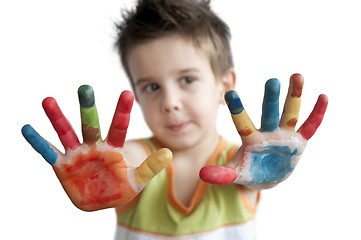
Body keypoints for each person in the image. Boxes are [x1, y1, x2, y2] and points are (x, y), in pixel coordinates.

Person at [21, 0, 328, 239]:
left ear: (224, 86)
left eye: (187, 79)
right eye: (152, 87)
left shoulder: (245, 166)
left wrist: (266, 172)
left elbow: (244, 171)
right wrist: (104, 177)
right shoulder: (129, 166)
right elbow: (129, 161)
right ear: (138, 97)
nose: (169, 102)